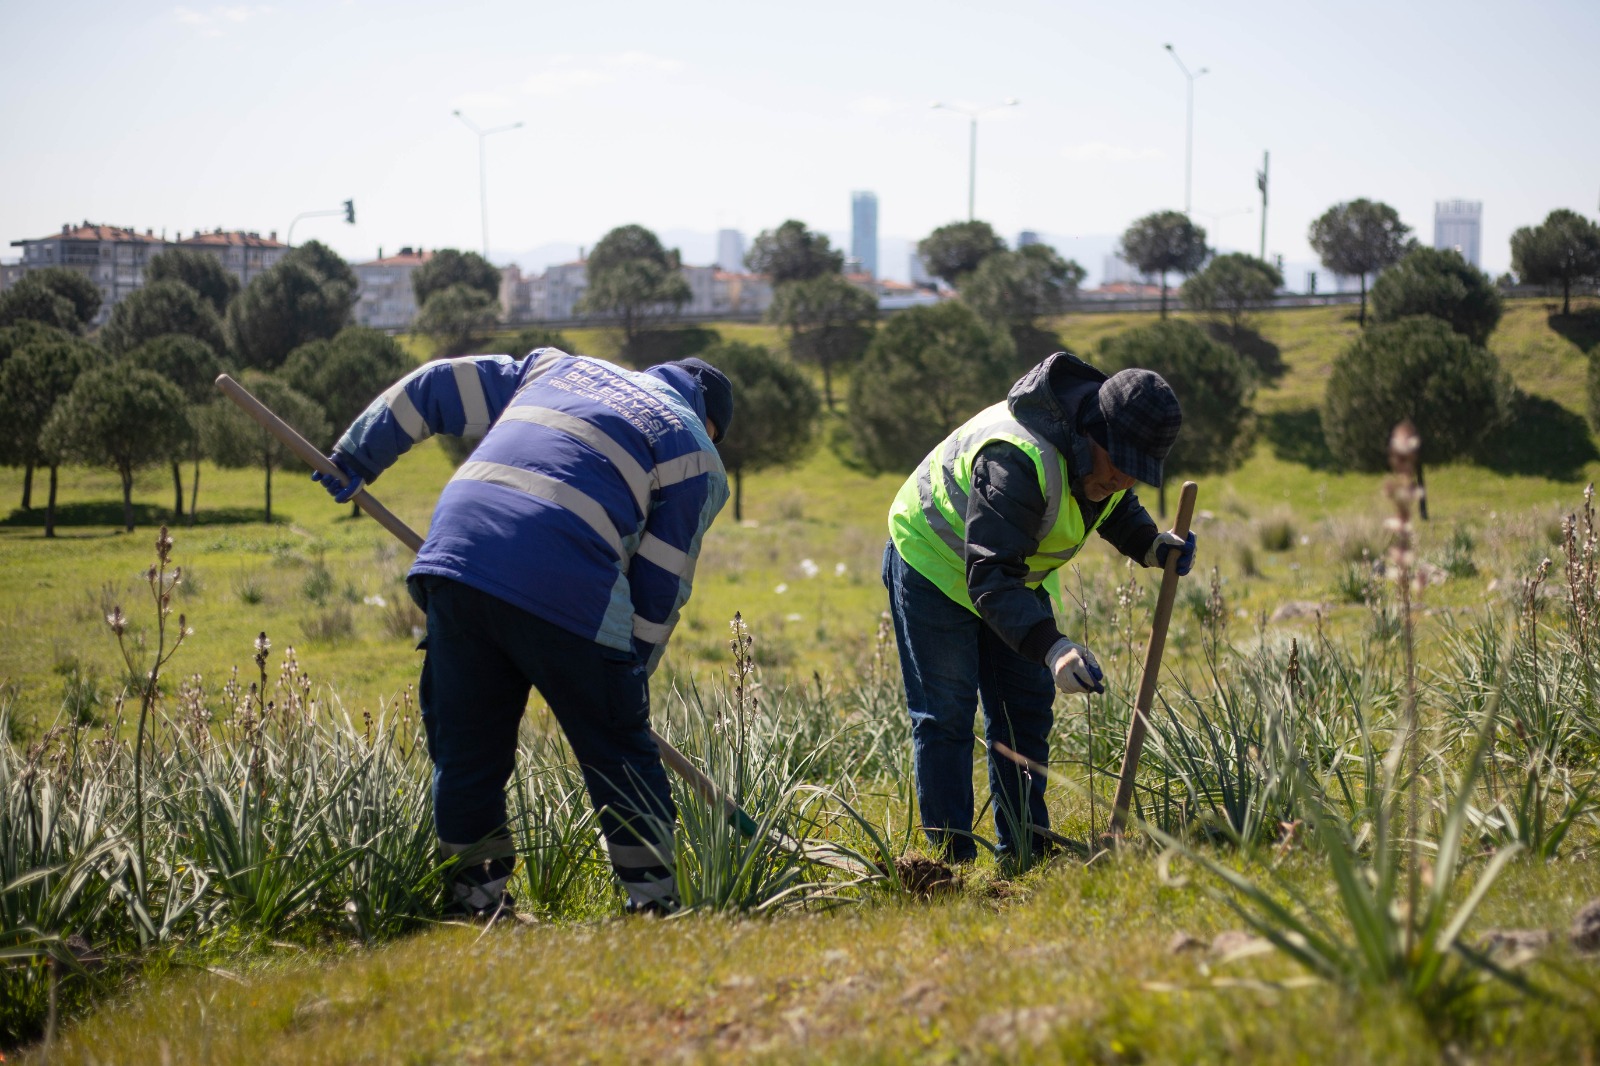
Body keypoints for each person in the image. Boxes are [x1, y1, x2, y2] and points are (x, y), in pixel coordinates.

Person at [315, 348, 732, 918]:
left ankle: (476, 906)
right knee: (619, 755)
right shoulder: (695, 450)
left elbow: (439, 384)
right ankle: (656, 907)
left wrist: (357, 454)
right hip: (570, 581)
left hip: (458, 559)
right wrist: (626, 679)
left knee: (468, 754)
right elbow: (661, 579)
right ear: (708, 420)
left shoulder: (557, 367)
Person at [882, 351, 1195, 863]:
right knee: (947, 715)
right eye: (1121, 466)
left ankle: (1024, 849)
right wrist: (1053, 648)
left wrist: (1150, 545)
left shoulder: (1100, 464)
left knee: (1023, 710)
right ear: (1093, 432)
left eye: (1137, 473)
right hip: (933, 563)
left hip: (1006, 576)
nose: (1124, 481)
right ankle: (947, 865)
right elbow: (990, 576)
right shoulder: (1017, 459)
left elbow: (1114, 505)